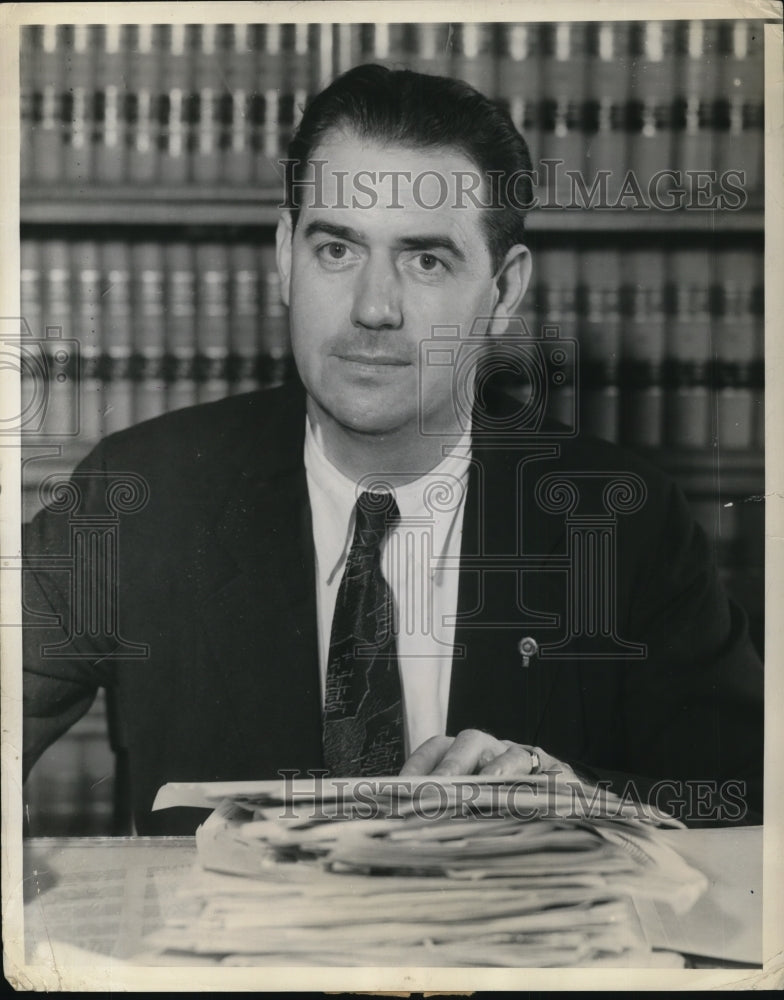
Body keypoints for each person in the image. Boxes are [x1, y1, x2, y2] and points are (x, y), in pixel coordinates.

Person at [22, 65, 763, 834]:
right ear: (285, 257)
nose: (373, 308)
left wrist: (568, 795)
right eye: (336, 251)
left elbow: (754, 795)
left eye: (425, 260)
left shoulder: (621, 519)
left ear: (504, 292)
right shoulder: (142, 494)